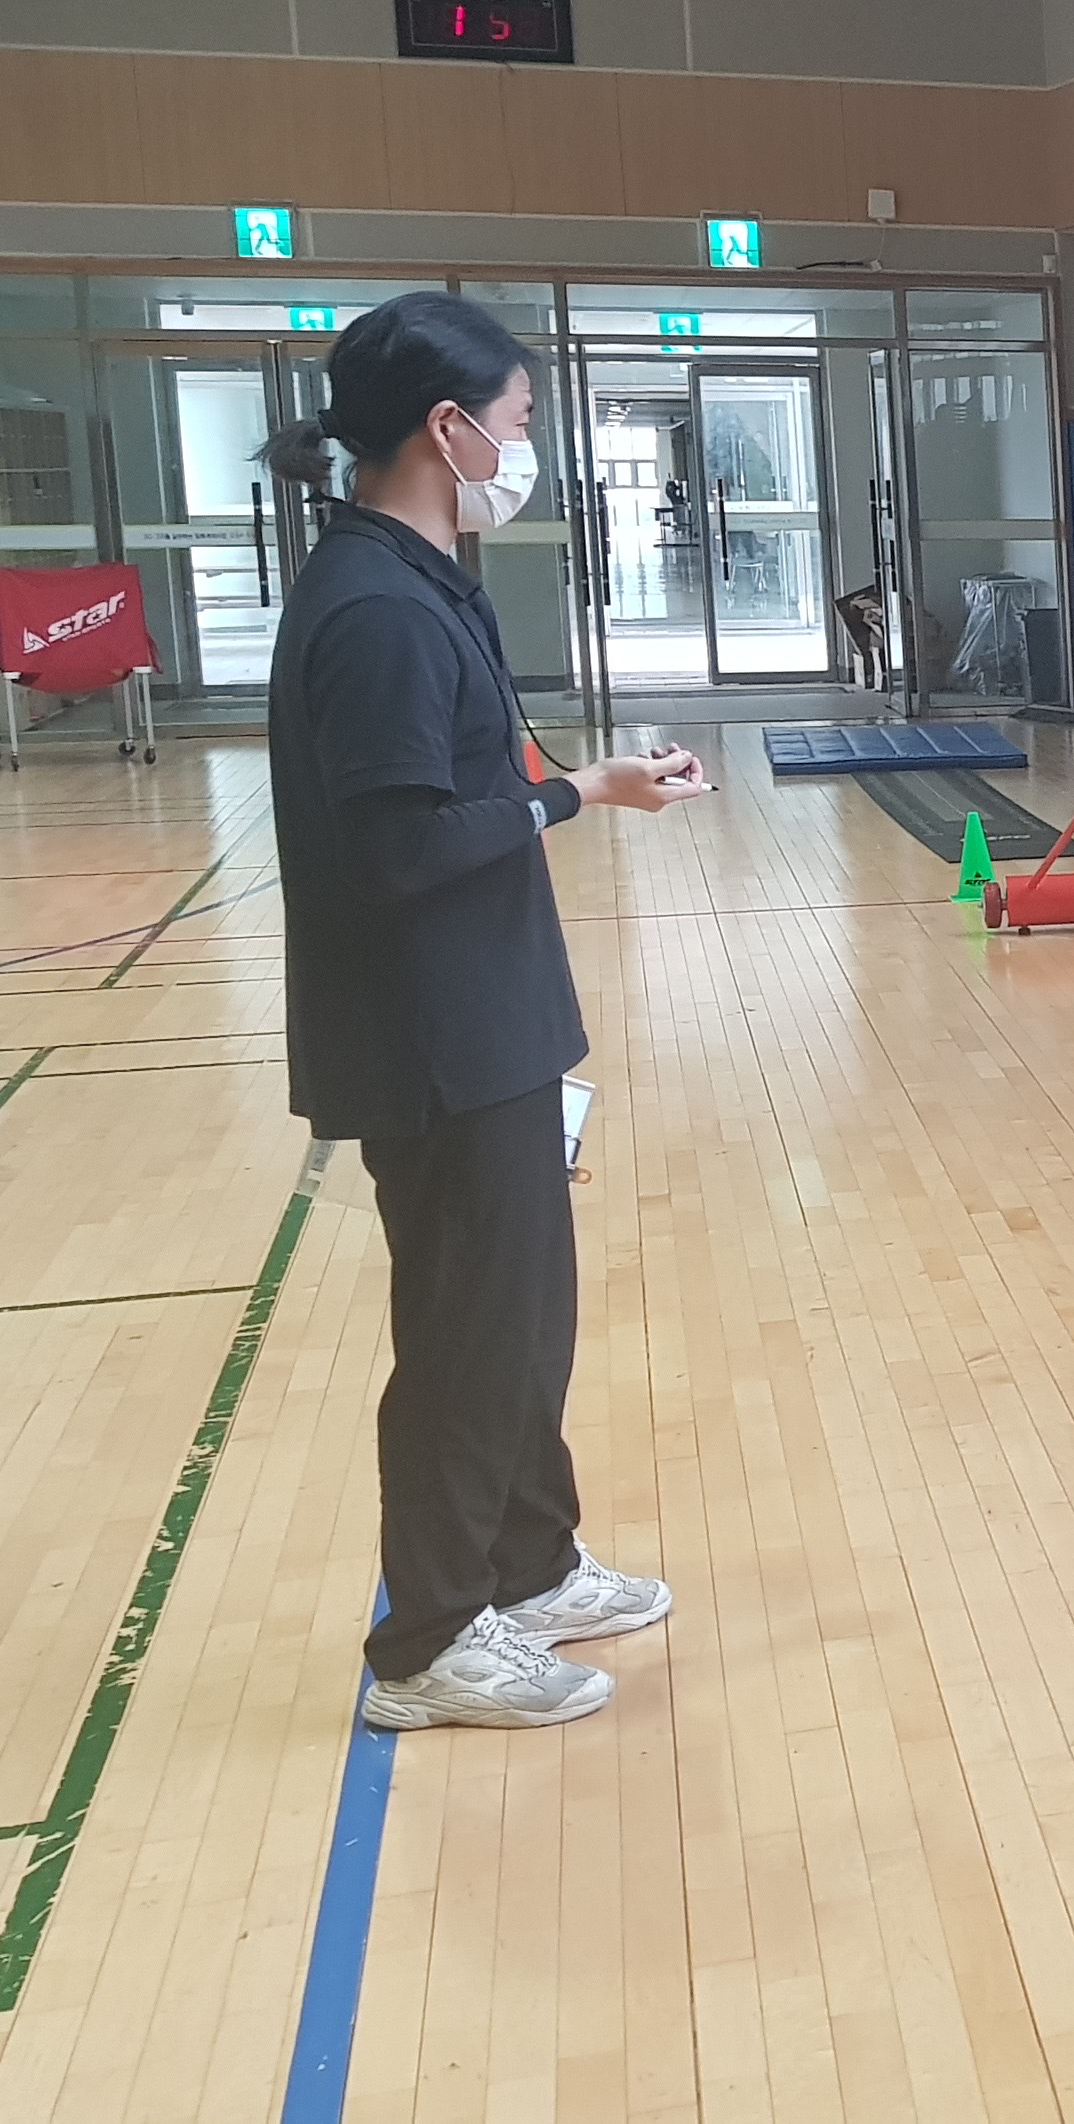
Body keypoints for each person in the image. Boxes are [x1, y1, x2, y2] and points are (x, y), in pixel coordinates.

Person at [266, 291, 713, 1732]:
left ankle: (528, 1565)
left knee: (520, 1318)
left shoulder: (422, 579)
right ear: (448, 428)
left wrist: (586, 786)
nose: (526, 450)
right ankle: (431, 1642)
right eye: (518, 422)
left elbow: (456, 790)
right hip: (433, 1042)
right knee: (466, 1332)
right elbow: (401, 850)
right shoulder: (376, 611)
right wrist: (573, 794)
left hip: (492, 1023)